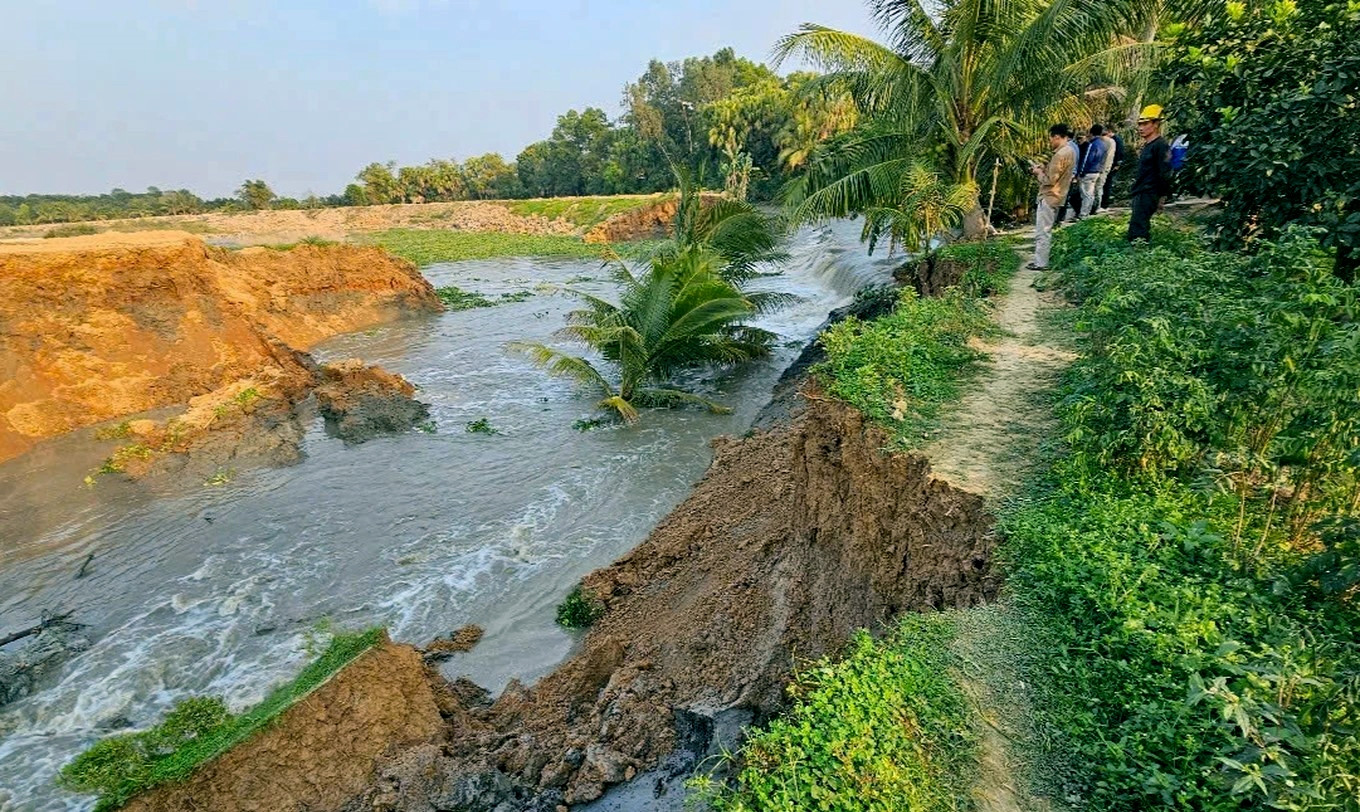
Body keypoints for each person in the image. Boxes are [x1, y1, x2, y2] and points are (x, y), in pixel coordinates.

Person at [1027, 124, 1076, 270]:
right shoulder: (1070, 150)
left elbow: (1049, 180)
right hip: (1057, 196)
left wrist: (1037, 173)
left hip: (1049, 196)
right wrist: (1045, 168)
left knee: (1043, 231)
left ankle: (1041, 263)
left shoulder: (1060, 154)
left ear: (1057, 136)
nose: (1050, 141)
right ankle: (1041, 261)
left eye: (1051, 138)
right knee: (1045, 230)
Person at [1128, 104, 1172, 241]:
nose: (1141, 128)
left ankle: (1139, 255)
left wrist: (1162, 196)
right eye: (1140, 124)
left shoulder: (1161, 145)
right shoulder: (1149, 146)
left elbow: (1164, 172)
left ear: (1156, 124)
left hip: (1149, 192)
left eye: (1145, 124)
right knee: (1136, 226)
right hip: (1141, 191)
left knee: (1138, 230)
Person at [1078, 124, 1109, 217]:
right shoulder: (1103, 144)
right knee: (1091, 193)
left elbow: (1087, 159)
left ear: (1091, 133)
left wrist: (1081, 172)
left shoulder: (1092, 144)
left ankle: (1083, 214)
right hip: (1097, 171)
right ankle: (1088, 211)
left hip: (1088, 172)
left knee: (1085, 194)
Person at [1058, 132, 1086, 223]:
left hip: (1066, 174)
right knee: (1067, 196)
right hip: (1072, 174)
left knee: (1063, 197)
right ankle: (1062, 217)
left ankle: (1060, 218)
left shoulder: (1067, 147)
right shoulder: (1075, 146)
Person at [1092, 125, 1116, 212]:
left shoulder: (1099, 142)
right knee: (1099, 187)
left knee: (1096, 187)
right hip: (1104, 168)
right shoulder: (1111, 141)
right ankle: (1097, 206)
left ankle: (1095, 207)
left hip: (1098, 168)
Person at [1101, 129, 1125, 211]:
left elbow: (1120, 152)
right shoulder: (1113, 140)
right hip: (1110, 164)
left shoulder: (1116, 140)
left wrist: (1117, 164)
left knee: (1107, 184)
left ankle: (1105, 203)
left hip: (1112, 165)